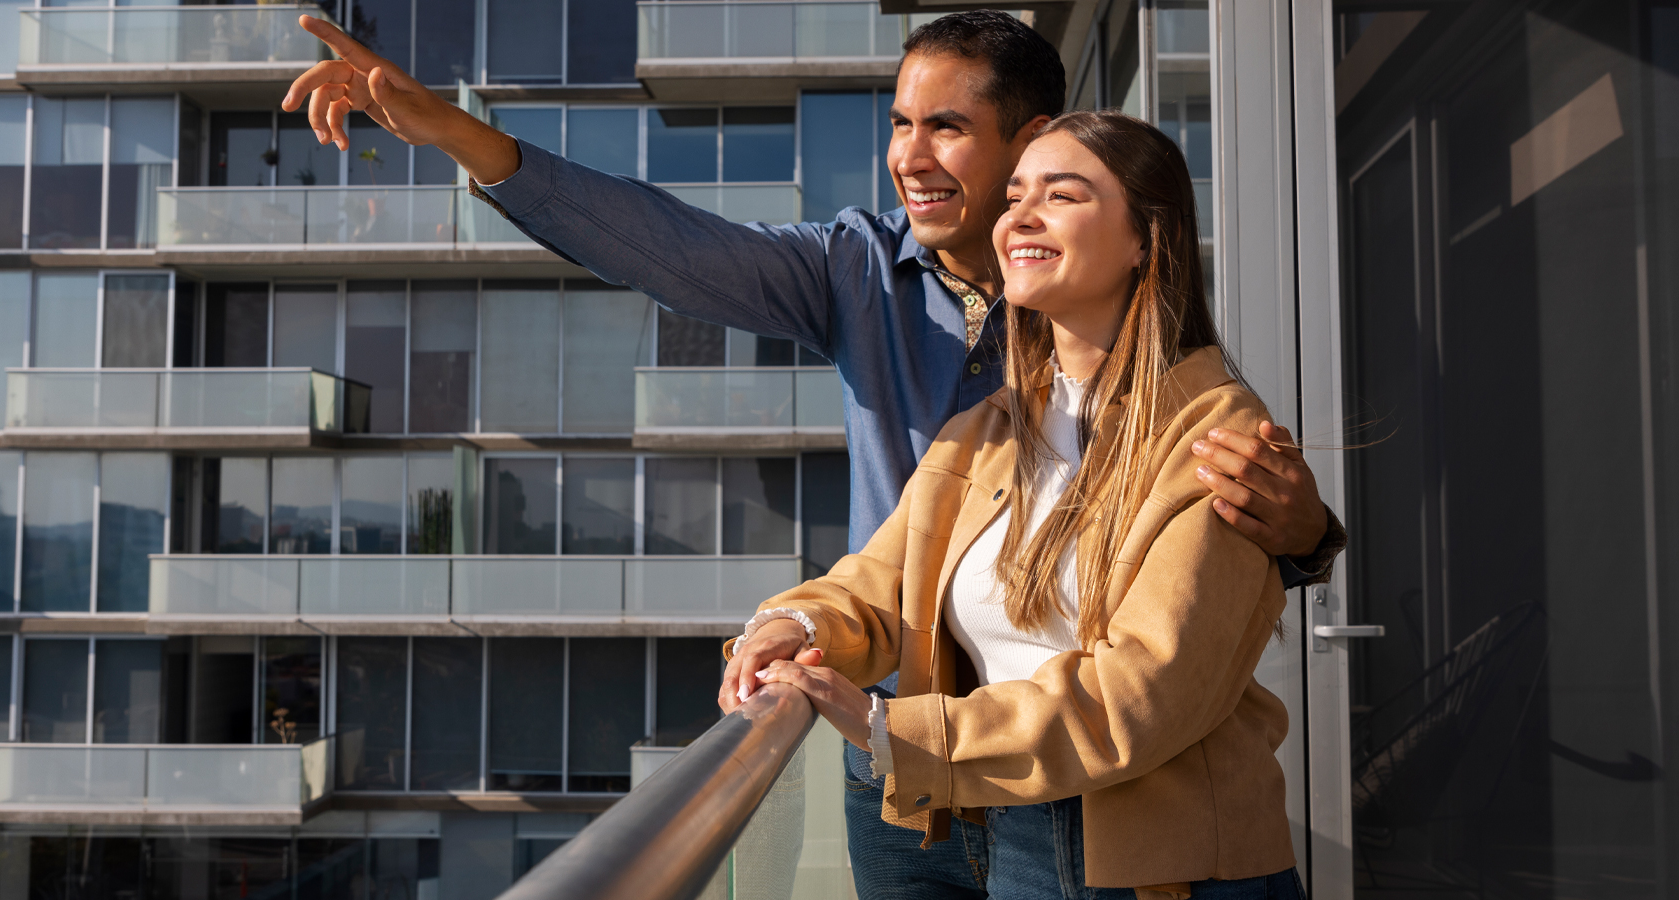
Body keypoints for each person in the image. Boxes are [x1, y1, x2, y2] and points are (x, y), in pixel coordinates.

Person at [282, 13, 1341, 897]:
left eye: (948, 129)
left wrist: (1307, 536)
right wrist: (465, 139)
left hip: (1096, 798)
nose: (908, 157)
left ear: (1037, 145)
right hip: (899, 768)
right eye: (899, 125)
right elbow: (670, 250)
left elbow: (1177, 600)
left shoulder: (1167, 390)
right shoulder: (879, 293)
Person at [731, 110, 1304, 899]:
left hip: (1163, 861)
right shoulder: (989, 429)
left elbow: (1142, 694)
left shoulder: (1216, 432)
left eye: (1062, 195)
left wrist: (892, 728)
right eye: (1014, 197)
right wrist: (792, 626)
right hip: (1009, 826)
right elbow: (882, 582)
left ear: (1147, 240)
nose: (1019, 218)